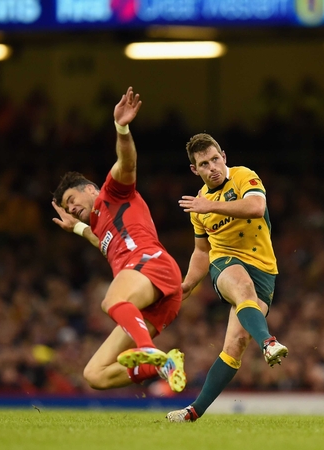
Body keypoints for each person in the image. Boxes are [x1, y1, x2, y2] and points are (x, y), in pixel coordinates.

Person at [51, 86, 186, 396]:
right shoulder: (102, 227)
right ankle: (160, 365)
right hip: (153, 292)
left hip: (151, 265)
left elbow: (127, 164)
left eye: (72, 199)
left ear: (90, 189)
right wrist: (75, 228)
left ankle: (147, 349)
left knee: (111, 300)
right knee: (94, 374)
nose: (72, 208)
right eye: (67, 206)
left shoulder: (113, 193)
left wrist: (121, 129)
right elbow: (101, 241)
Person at [166, 133, 288, 423]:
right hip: (225, 262)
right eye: (204, 164)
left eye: (215, 159)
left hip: (264, 269)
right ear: (195, 170)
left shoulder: (244, 177)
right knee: (242, 287)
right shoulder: (200, 206)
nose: (212, 167)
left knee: (236, 344)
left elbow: (256, 207)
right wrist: (188, 283)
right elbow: (200, 251)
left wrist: (210, 206)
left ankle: (192, 412)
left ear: (224, 156)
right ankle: (270, 343)